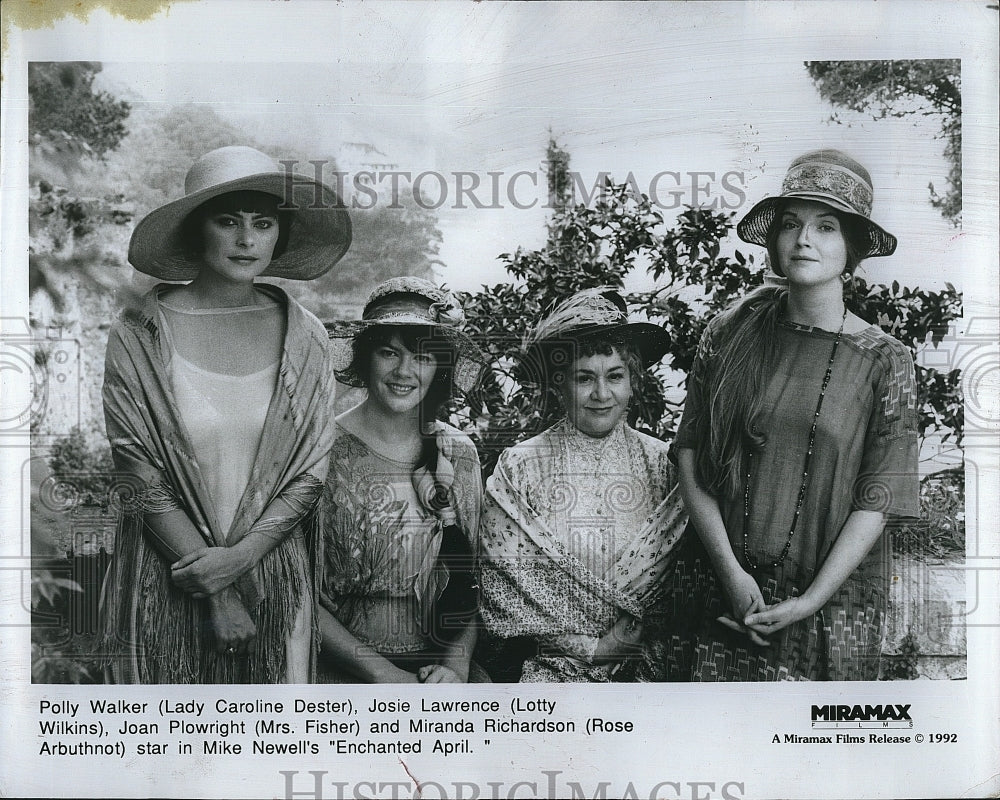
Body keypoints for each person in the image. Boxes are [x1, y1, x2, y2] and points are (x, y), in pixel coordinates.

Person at [99, 145, 351, 683]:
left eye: (262, 224)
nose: (246, 240)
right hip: (168, 574)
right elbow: (136, 468)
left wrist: (242, 559)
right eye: (227, 221)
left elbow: (310, 472)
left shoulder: (306, 335)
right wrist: (216, 587)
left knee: (273, 746)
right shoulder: (139, 332)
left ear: (278, 234)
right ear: (196, 228)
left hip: (274, 574)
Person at [665, 148, 919, 681]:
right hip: (719, 589)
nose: (804, 239)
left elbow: (879, 496)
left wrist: (809, 602)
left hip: (829, 605)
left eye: (826, 227)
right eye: (791, 224)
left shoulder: (884, 359)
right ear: (775, 243)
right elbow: (689, 456)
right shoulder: (728, 334)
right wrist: (730, 574)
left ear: (851, 250)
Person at [478, 288, 687, 682]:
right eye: (584, 378)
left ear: (633, 382)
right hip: (552, 676)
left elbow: (684, 582)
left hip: (655, 674)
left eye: (615, 376)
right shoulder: (521, 466)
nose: (601, 394)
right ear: (559, 384)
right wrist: (595, 648)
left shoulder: (666, 464)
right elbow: (501, 588)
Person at [317, 277, 487, 683]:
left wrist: (454, 668)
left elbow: (474, 581)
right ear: (364, 358)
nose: (404, 371)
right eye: (388, 353)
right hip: (341, 674)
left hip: (437, 679)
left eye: (422, 357)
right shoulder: (321, 450)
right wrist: (383, 675)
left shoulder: (459, 453)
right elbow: (295, 591)